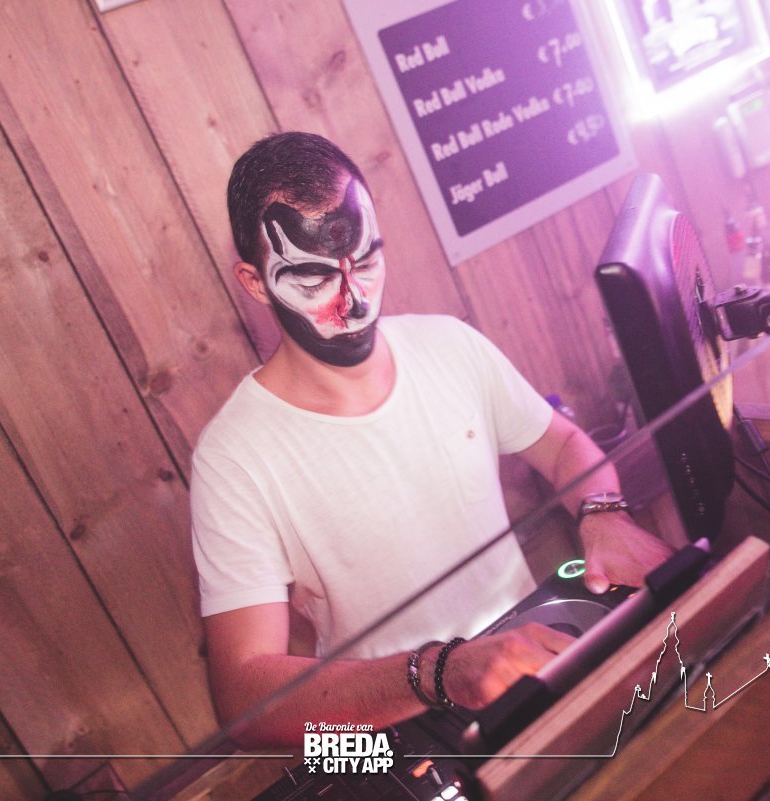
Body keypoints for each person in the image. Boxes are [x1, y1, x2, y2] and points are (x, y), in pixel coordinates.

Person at [190, 132, 673, 747]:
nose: (354, 301)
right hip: (398, 729)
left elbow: (560, 445)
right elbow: (243, 696)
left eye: (366, 261)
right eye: (313, 277)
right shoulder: (234, 457)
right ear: (255, 282)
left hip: (532, 669)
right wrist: (440, 672)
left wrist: (603, 512)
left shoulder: (448, 345)